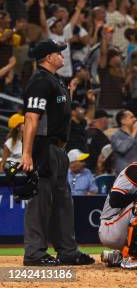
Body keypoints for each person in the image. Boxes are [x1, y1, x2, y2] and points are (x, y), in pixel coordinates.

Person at [19, 39, 94, 266]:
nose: (63, 56)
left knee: (63, 202)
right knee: (40, 200)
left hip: (60, 149)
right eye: (59, 53)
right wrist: (27, 153)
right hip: (44, 147)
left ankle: (67, 251)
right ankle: (34, 253)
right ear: (48, 58)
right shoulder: (40, 81)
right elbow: (31, 118)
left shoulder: (55, 81)